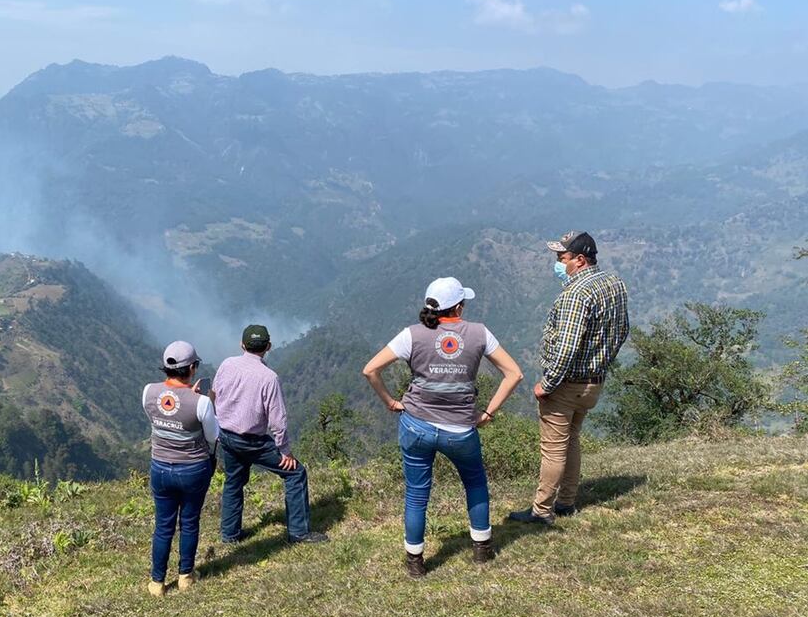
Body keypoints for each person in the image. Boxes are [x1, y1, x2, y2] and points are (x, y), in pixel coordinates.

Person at [363, 277, 524, 578]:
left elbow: (370, 369)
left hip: (416, 426)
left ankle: (415, 561)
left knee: (416, 493)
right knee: (474, 483)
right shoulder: (479, 333)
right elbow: (514, 373)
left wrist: (390, 401)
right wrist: (488, 411)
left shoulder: (412, 335)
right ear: (459, 306)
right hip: (460, 429)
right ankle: (482, 548)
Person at [508, 231, 629, 526]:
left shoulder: (576, 295)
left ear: (579, 259)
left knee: (553, 448)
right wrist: (601, 363)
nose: (557, 263)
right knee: (571, 438)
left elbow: (566, 348)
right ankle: (566, 501)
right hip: (593, 383)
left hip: (567, 384)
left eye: (561, 258)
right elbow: (622, 330)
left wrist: (547, 384)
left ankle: (541, 510)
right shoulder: (614, 283)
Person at [213, 324, 329, 545]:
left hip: (226, 435)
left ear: (242, 344)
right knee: (295, 473)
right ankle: (298, 532)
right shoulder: (269, 377)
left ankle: (230, 534)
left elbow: (214, 394)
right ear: (268, 346)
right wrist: (285, 451)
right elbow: (278, 420)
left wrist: (215, 426)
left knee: (233, 482)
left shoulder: (227, 365)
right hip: (253, 441)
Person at [142, 340, 219, 597]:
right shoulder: (201, 403)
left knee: (163, 525)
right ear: (193, 368)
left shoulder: (148, 392)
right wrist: (203, 401)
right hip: (193, 469)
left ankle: (157, 582)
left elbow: (159, 415)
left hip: (160, 468)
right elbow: (212, 436)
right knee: (189, 522)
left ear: (165, 368)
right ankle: (186, 576)